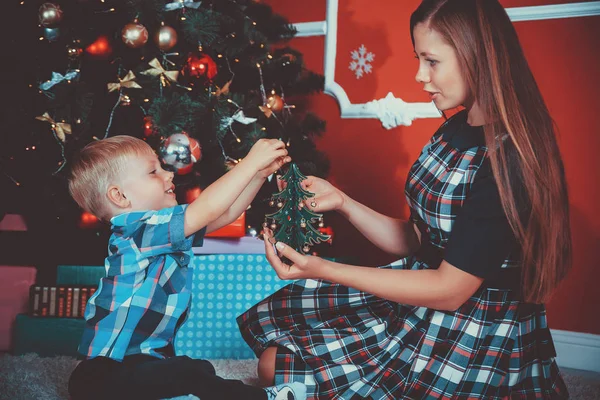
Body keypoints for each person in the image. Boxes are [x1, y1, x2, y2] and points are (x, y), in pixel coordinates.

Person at [237, 0, 572, 398]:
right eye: (419, 59)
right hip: (418, 299)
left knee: (285, 372)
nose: (419, 76)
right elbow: (417, 239)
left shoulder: (508, 159)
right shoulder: (454, 129)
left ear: (478, 56)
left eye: (432, 61)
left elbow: (450, 289)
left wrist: (321, 268)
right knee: (275, 362)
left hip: (474, 326)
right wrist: (342, 201)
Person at [67, 135, 307, 400]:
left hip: (144, 363)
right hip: (102, 372)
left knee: (193, 370)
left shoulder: (165, 230)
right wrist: (249, 163)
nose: (168, 174)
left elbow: (224, 215)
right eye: (153, 172)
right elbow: (207, 208)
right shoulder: (136, 231)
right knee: (186, 372)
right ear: (119, 196)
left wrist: (259, 174)